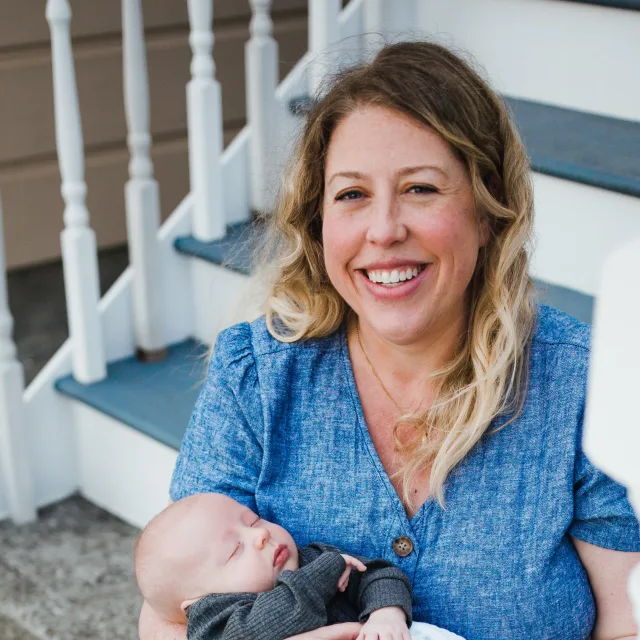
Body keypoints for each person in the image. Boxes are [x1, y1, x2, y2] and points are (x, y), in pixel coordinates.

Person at [139, 41, 640, 640]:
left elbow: (627, 618)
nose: (384, 230)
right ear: (319, 222)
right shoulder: (258, 374)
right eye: (352, 195)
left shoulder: (583, 382)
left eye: (421, 189)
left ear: (486, 213)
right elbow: (169, 614)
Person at [134, 492, 416, 640]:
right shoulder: (216, 621)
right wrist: (326, 572)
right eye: (235, 550)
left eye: (253, 521)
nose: (261, 535)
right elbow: (259, 627)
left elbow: (377, 574)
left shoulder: (312, 559)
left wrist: (386, 614)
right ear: (197, 604)